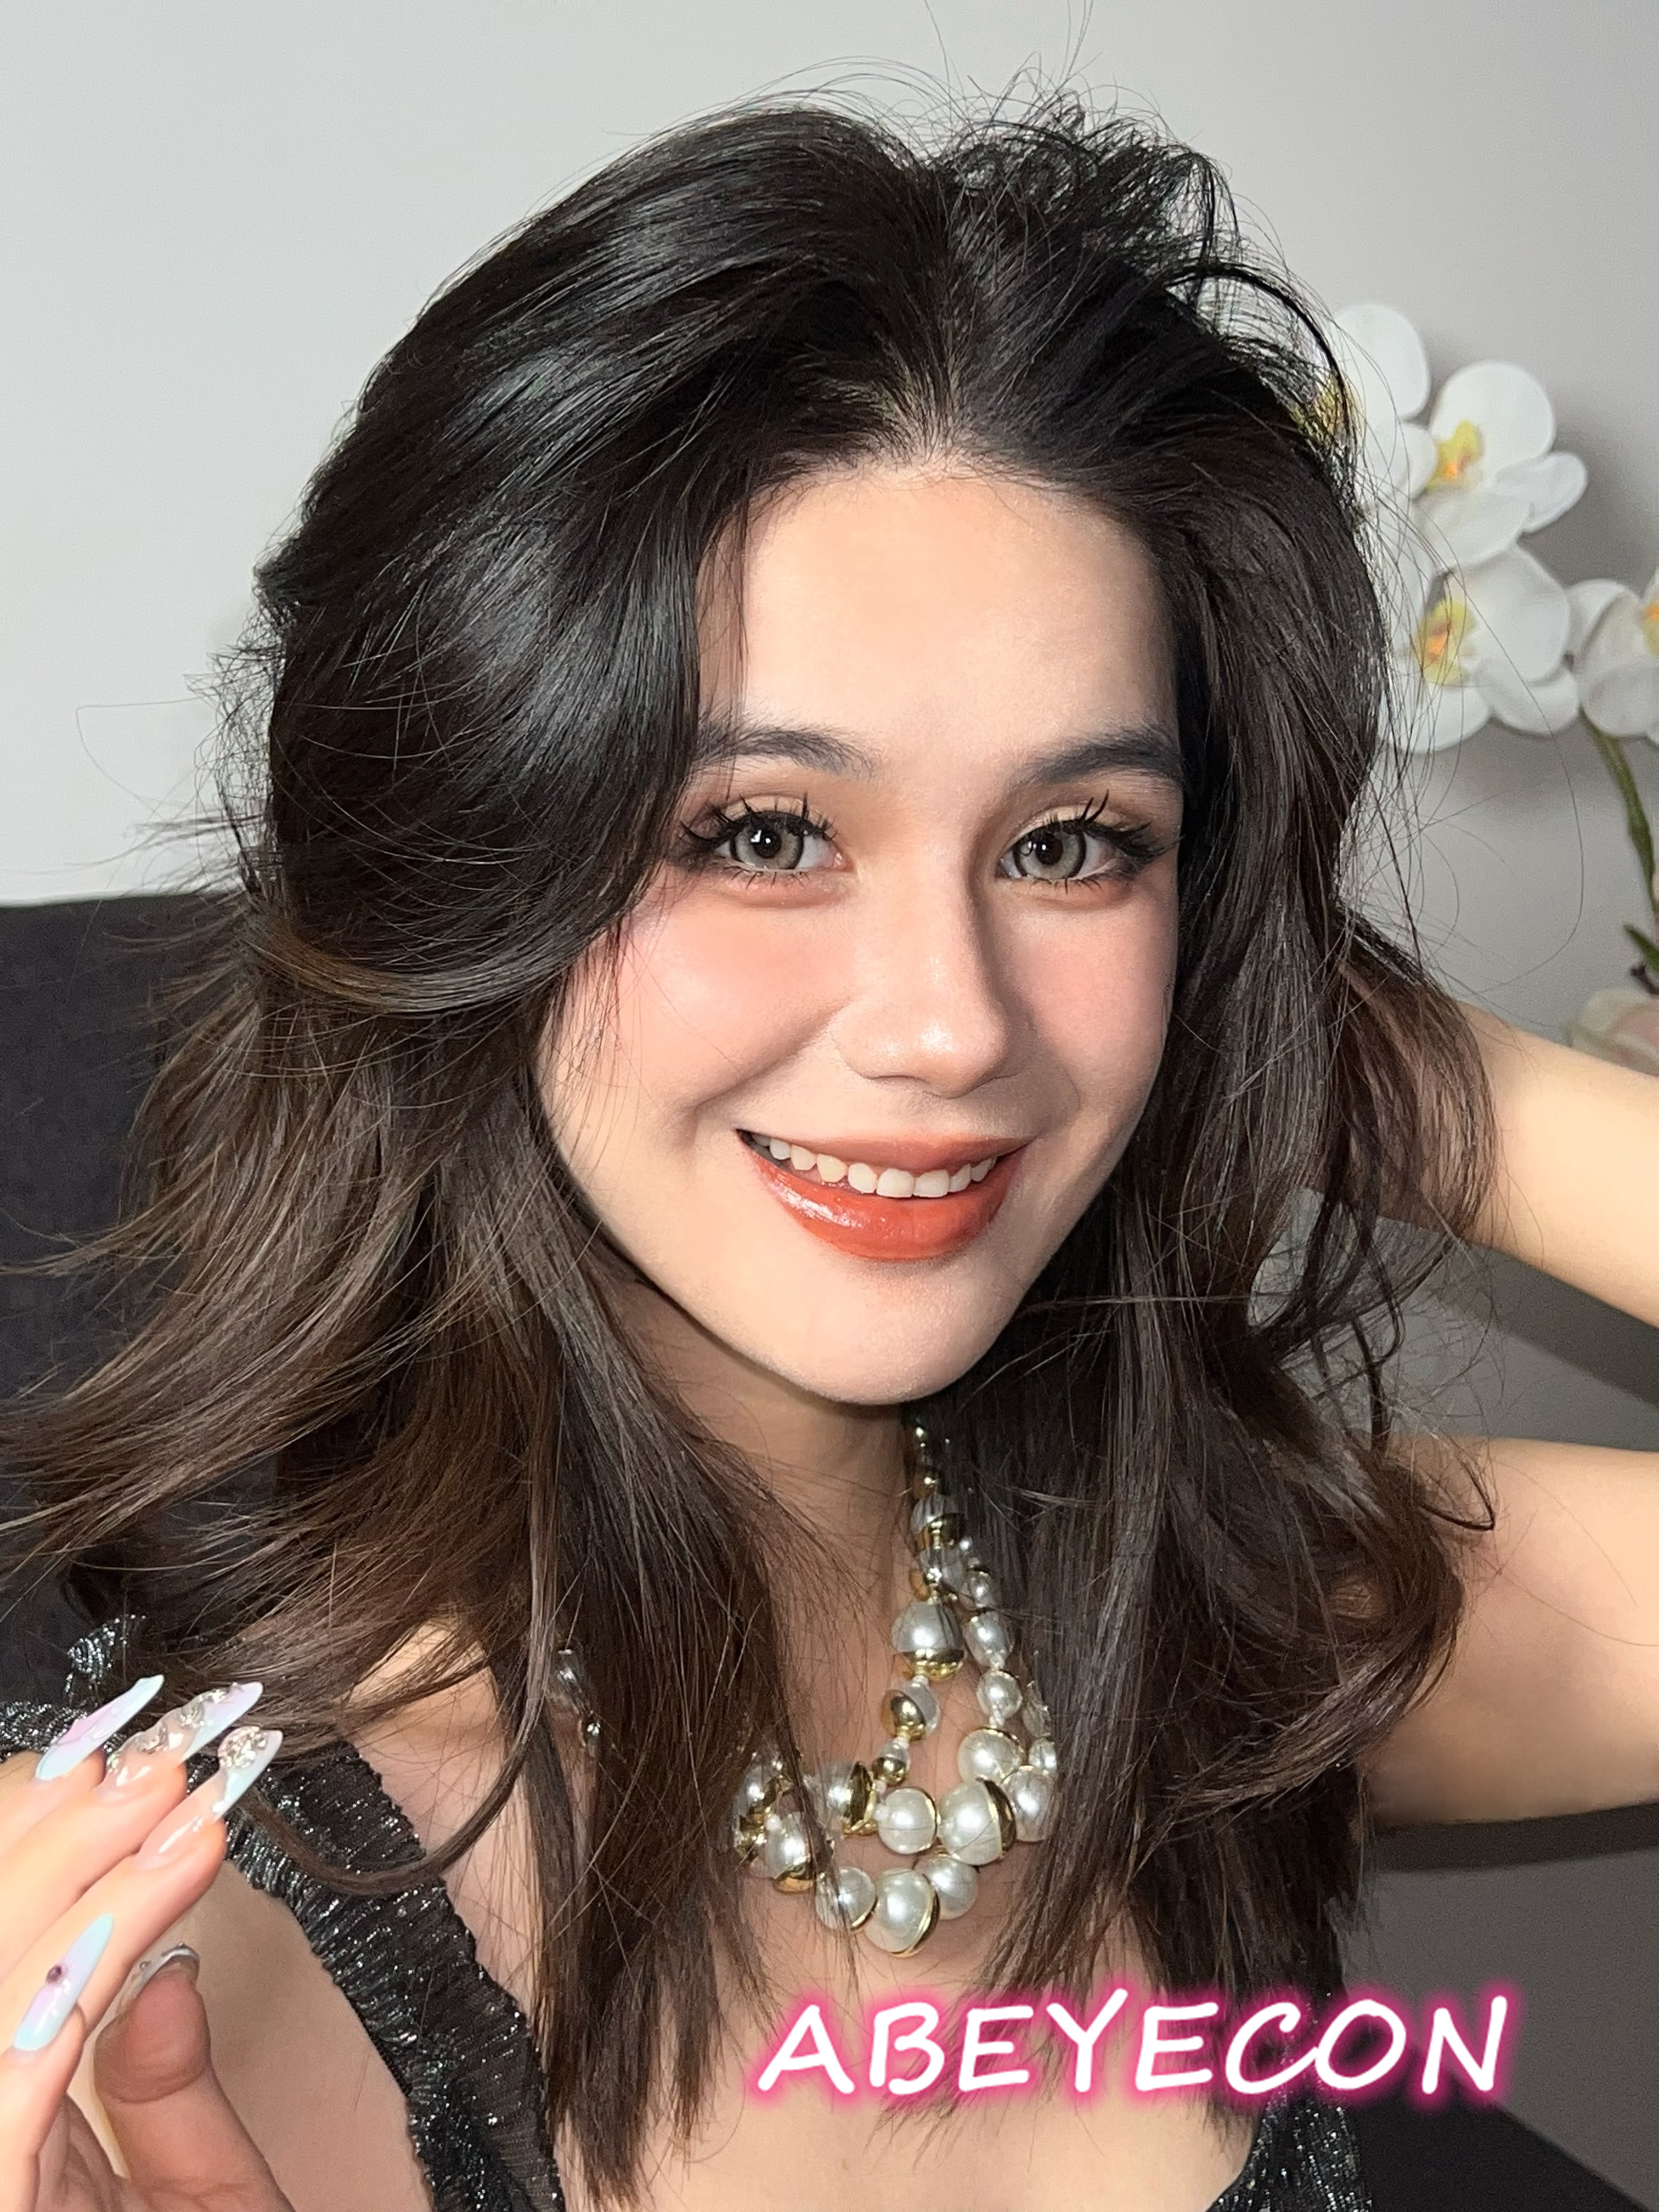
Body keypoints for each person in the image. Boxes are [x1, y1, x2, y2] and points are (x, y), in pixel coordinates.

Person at [1, 96, 1656, 2212]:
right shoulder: (169, 1940)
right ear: (466, 862)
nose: (953, 1021)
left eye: (1073, 842)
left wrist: (1387, 1072)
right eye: (766, 833)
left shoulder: (1215, 1608)